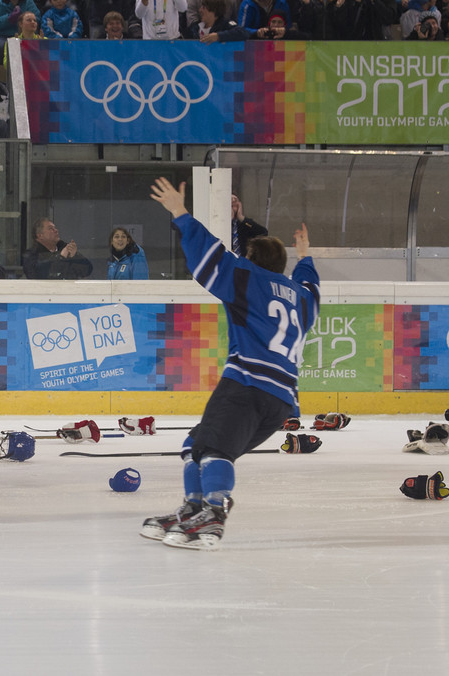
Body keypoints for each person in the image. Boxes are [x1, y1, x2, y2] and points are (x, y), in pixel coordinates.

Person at [140, 177, 319, 550]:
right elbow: (310, 285)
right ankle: (193, 509)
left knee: (214, 450)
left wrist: (180, 212)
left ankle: (213, 515)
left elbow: (210, 257)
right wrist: (305, 257)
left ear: (252, 262)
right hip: (281, 400)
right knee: (196, 445)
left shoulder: (247, 278)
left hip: (246, 384)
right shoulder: (301, 299)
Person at [22, 217, 92, 279]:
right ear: (40, 235)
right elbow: (36, 274)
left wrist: (75, 256)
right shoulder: (31, 254)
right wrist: (60, 257)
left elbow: (88, 270)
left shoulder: (65, 248)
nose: (56, 230)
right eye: (50, 228)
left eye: (55, 228)